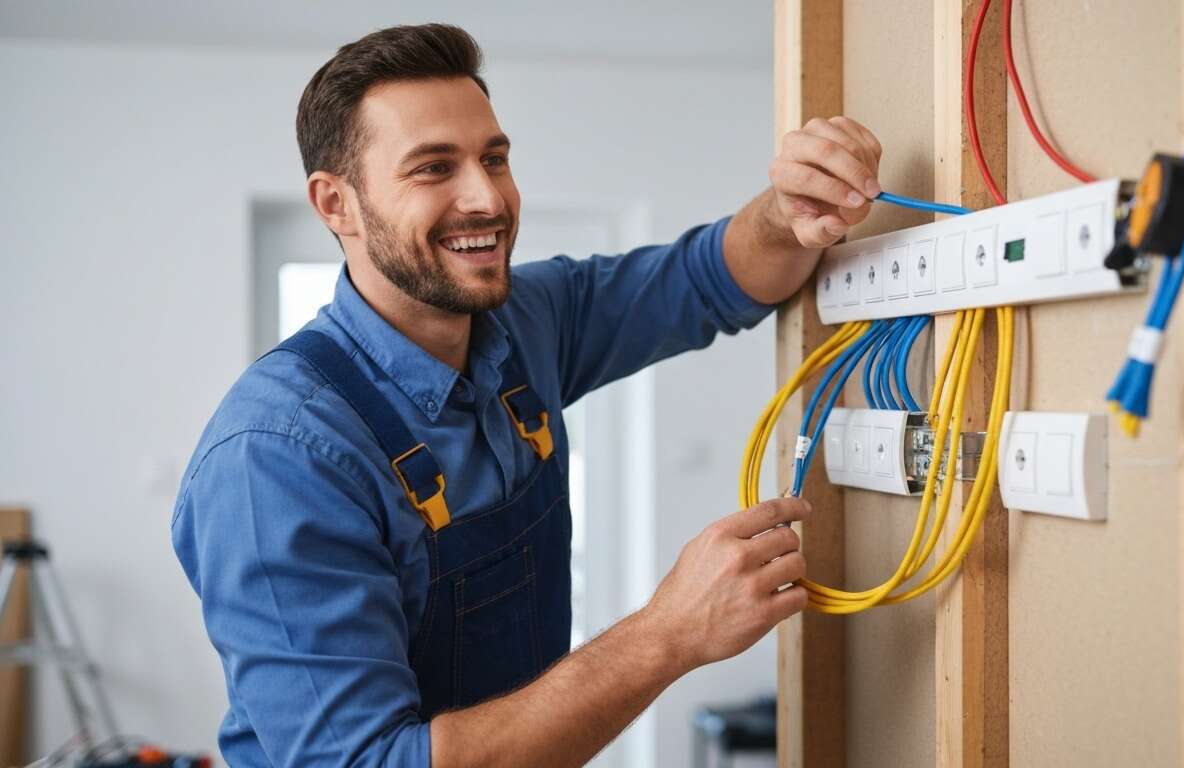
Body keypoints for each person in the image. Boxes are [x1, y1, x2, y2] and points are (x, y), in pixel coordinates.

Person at [172, 23, 882, 767]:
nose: (486, 197)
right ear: (335, 204)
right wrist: (669, 633)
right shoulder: (277, 457)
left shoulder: (526, 322)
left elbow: (709, 280)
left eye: (495, 158)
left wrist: (790, 210)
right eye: (434, 168)